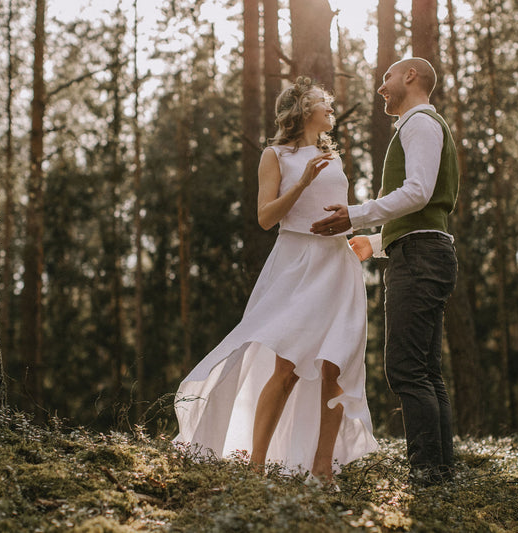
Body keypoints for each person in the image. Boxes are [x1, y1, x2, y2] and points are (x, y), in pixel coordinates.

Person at [175, 77, 378, 485]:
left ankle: (323, 470)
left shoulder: (333, 157)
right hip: (297, 266)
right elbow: (266, 218)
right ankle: (256, 467)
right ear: (304, 110)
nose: (331, 108)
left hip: (338, 266)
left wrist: (362, 236)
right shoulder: (275, 155)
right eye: (324, 102)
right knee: (285, 366)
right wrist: (301, 181)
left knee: (335, 370)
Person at [311, 58, 460, 486]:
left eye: (386, 78)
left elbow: (417, 192)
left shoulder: (420, 124)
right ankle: (439, 474)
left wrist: (354, 217)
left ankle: (428, 476)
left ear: (410, 76)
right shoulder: (421, 127)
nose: (381, 88)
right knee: (426, 372)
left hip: (420, 258)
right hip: (422, 251)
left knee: (407, 370)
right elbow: (426, 210)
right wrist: (376, 244)